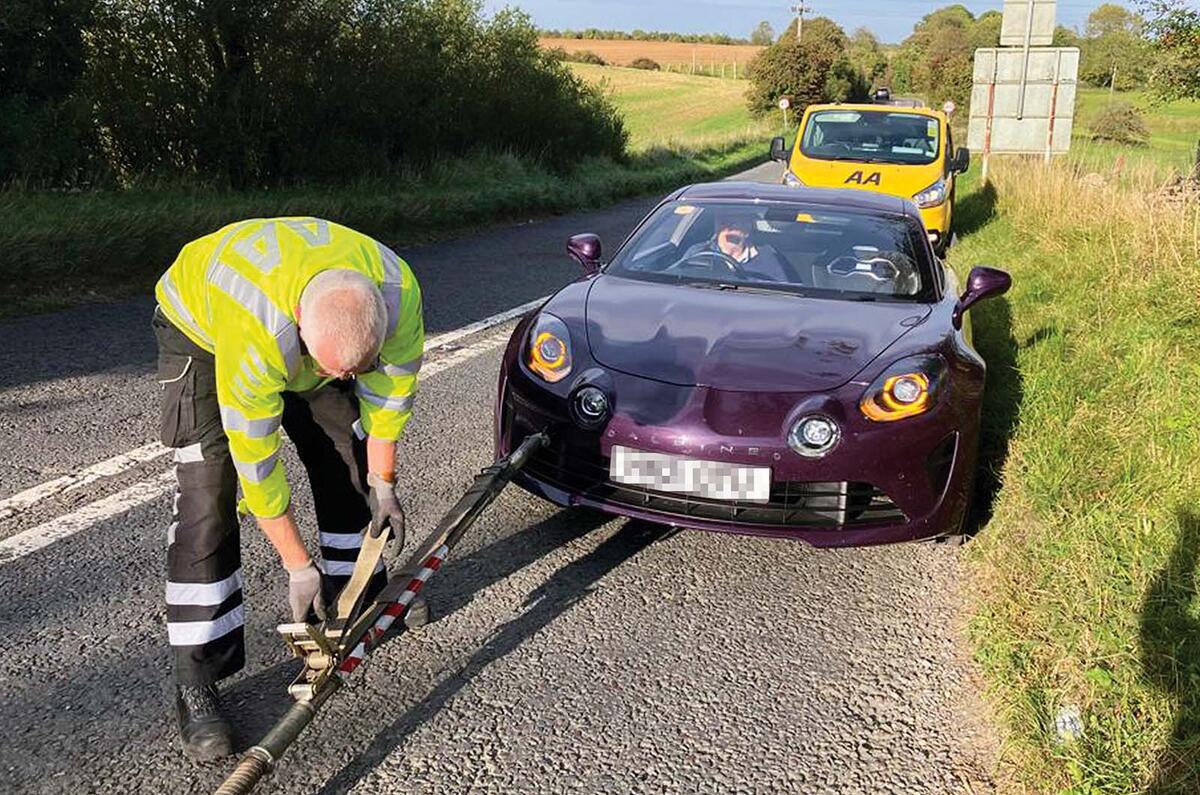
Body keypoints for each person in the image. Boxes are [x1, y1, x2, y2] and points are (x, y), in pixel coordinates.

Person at [153, 217, 423, 759]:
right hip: (203, 330)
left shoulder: (400, 293)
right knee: (209, 496)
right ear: (299, 329)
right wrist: (296, 564)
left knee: (345, 451)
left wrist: (383, 481)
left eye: (354, 370)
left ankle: (356, 597)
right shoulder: (256, 335)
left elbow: (389, 397)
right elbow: (258, 467)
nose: (343, 380)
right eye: (331, 371)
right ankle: (196, 681)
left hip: (308, 314)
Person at [681, 212, 797, 284]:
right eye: (723, 220)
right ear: (716, 226)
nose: (728, 225)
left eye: (735, 220)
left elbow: (786, 296)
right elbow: (678, 283)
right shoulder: (698, 253)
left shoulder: (770, 258)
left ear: (748, 228)